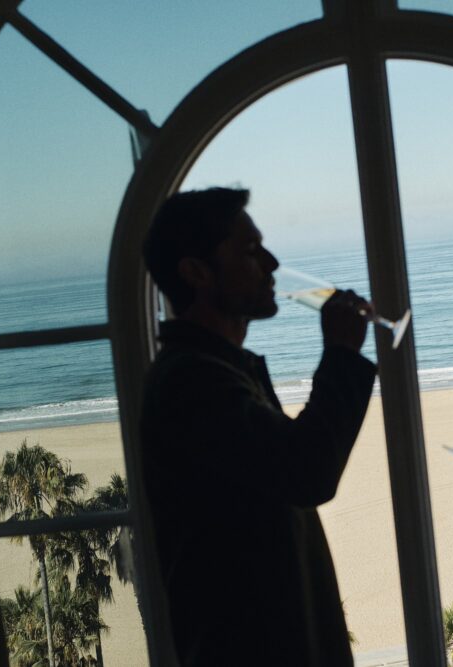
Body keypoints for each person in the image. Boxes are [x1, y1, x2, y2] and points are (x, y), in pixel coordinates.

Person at [139, 188, 376, 666]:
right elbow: (308, 471)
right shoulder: (193, 381)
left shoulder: (217, 370)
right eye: (250, 251)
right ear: (196, 272)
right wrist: (341, 355)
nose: (271, 262)